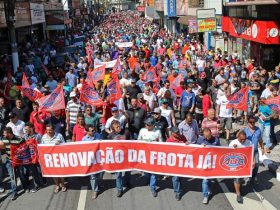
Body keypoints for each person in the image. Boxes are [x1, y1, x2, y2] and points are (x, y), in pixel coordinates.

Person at [138, 118, 162, 197]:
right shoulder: (142, 130)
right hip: (144, 155)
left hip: (154, 156)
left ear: (152, 125)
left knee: (153, 173)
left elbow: (162, 144)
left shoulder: (158, 132)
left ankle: (153, 187)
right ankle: (147, 179)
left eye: (148, 125)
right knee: (146, 171)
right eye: (145, 124)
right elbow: (138, 141)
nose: (146, 126)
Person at [229, 131, 255, 203]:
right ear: (238, 137)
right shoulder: (233, 143)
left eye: (244, 139)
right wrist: (233, 149)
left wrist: (254, 161)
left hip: (244, 164)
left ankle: (237, 187)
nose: (243, 141)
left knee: (241, 179)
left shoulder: (249, 142)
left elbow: (252, 152)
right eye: (241, 139)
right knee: (237, 178)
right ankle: (238, 195)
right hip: (235, 164)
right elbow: (227, 154)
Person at [0, 127, 26, 200]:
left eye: (5, 133)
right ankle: (14, 192)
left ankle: (25, 186)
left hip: (19, 161)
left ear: (9, 133)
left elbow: (24, 148)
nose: (3, 134)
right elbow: (2, 148)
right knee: (12, 176)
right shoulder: (3, 139)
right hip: (9, 161)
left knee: (21, 174)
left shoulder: (19, 139)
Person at [107, 120, 131, 197]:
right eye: (117, 127)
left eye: (119, 126)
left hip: (126, 156)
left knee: (128, 172)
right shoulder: (110, 136)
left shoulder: (126, 132)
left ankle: (127, 183)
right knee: (118, 175)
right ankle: (119, 190)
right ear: (113, 129)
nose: (119, 128)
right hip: (117, 159)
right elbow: (108, 146)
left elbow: (132, 142)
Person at [196, 128, 220, 204]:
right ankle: (205, 196)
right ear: (203, 135)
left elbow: (221, 150)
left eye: (209, 136)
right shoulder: (200, 140)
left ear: (211, 134)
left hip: (212, 164)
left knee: (210, 179)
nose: (208, 138)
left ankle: (209, 188)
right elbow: (194, 150)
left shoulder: (216, 140)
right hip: (204, 164)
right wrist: (199, 146)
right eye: (206, 137)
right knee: (205, 180)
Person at [41, 124, 66, 193]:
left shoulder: (59, 136)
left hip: (59, 157)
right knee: (54, 173)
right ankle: (57, 185)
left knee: (61, 173)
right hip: (50, 159)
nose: (49, 131)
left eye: (50, 130)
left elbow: (65, 145)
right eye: (47, 130)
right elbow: (42, 148)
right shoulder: (43, 137)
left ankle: (63, 184)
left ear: (53, 130)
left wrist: (60, 144)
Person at [166, 127, 187, 201]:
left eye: (178, 132)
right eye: (176, 133)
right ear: (172, 133)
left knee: (180, 177)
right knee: (175, 178)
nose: (178, 134)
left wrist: (187, 143)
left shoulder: (182, 137)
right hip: (174, 163)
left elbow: (186, 143)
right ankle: (177, 193)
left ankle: (180, 187)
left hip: (181, 162)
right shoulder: (169, 141)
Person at [82, 124, 102, 199]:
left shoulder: (98, 135)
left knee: (100, 175)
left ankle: (98, 184)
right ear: (87, 132)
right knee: (93, 177)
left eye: (94, 130)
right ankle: (95, 190)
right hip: (91, 161)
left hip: (99, 159)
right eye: (92, 131)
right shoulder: (84, 139)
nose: (94, 131)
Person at [244, 115, 264, 184]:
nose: (252, 124)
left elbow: (260, 139)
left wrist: (262, 148)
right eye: (250, 122)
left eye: (254, 122)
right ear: (247, 122)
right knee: (248, 164)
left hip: (255, 150)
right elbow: (239, 139)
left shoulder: (258, 129)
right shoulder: (244, 130)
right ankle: (247, 177)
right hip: (246, 151)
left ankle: (254, 176)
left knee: (257, 163)